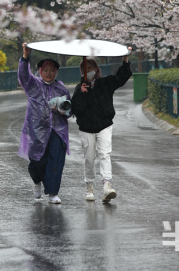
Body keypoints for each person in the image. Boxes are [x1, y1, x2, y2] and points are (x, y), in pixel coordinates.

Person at [70, 48, 132, 203]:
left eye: (90, 68)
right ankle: (89, 186)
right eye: (84, 70)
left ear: (96, 69)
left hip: (104, 125)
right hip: (86, 128)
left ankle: (107, 185)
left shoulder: (105, 83)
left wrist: (125, 58)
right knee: (89, 158)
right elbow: (75, 109)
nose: (88, 72)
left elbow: (121, 77)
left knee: (104, 154)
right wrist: (81, 93)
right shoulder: (79, 88)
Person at [18, 44, 72, 204]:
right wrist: (25, 57)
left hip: (58, 130)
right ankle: (37, 181)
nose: (49, 73)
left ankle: (53, 193)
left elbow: (69, 109)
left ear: (56, 72)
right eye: (45, 70)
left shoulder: (61, 89)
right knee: (36, 162)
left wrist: (63, 110)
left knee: (56, 161)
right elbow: (23, 76)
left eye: (52, 70)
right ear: (40, 71)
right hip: (37, 130)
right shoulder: (33, 85)